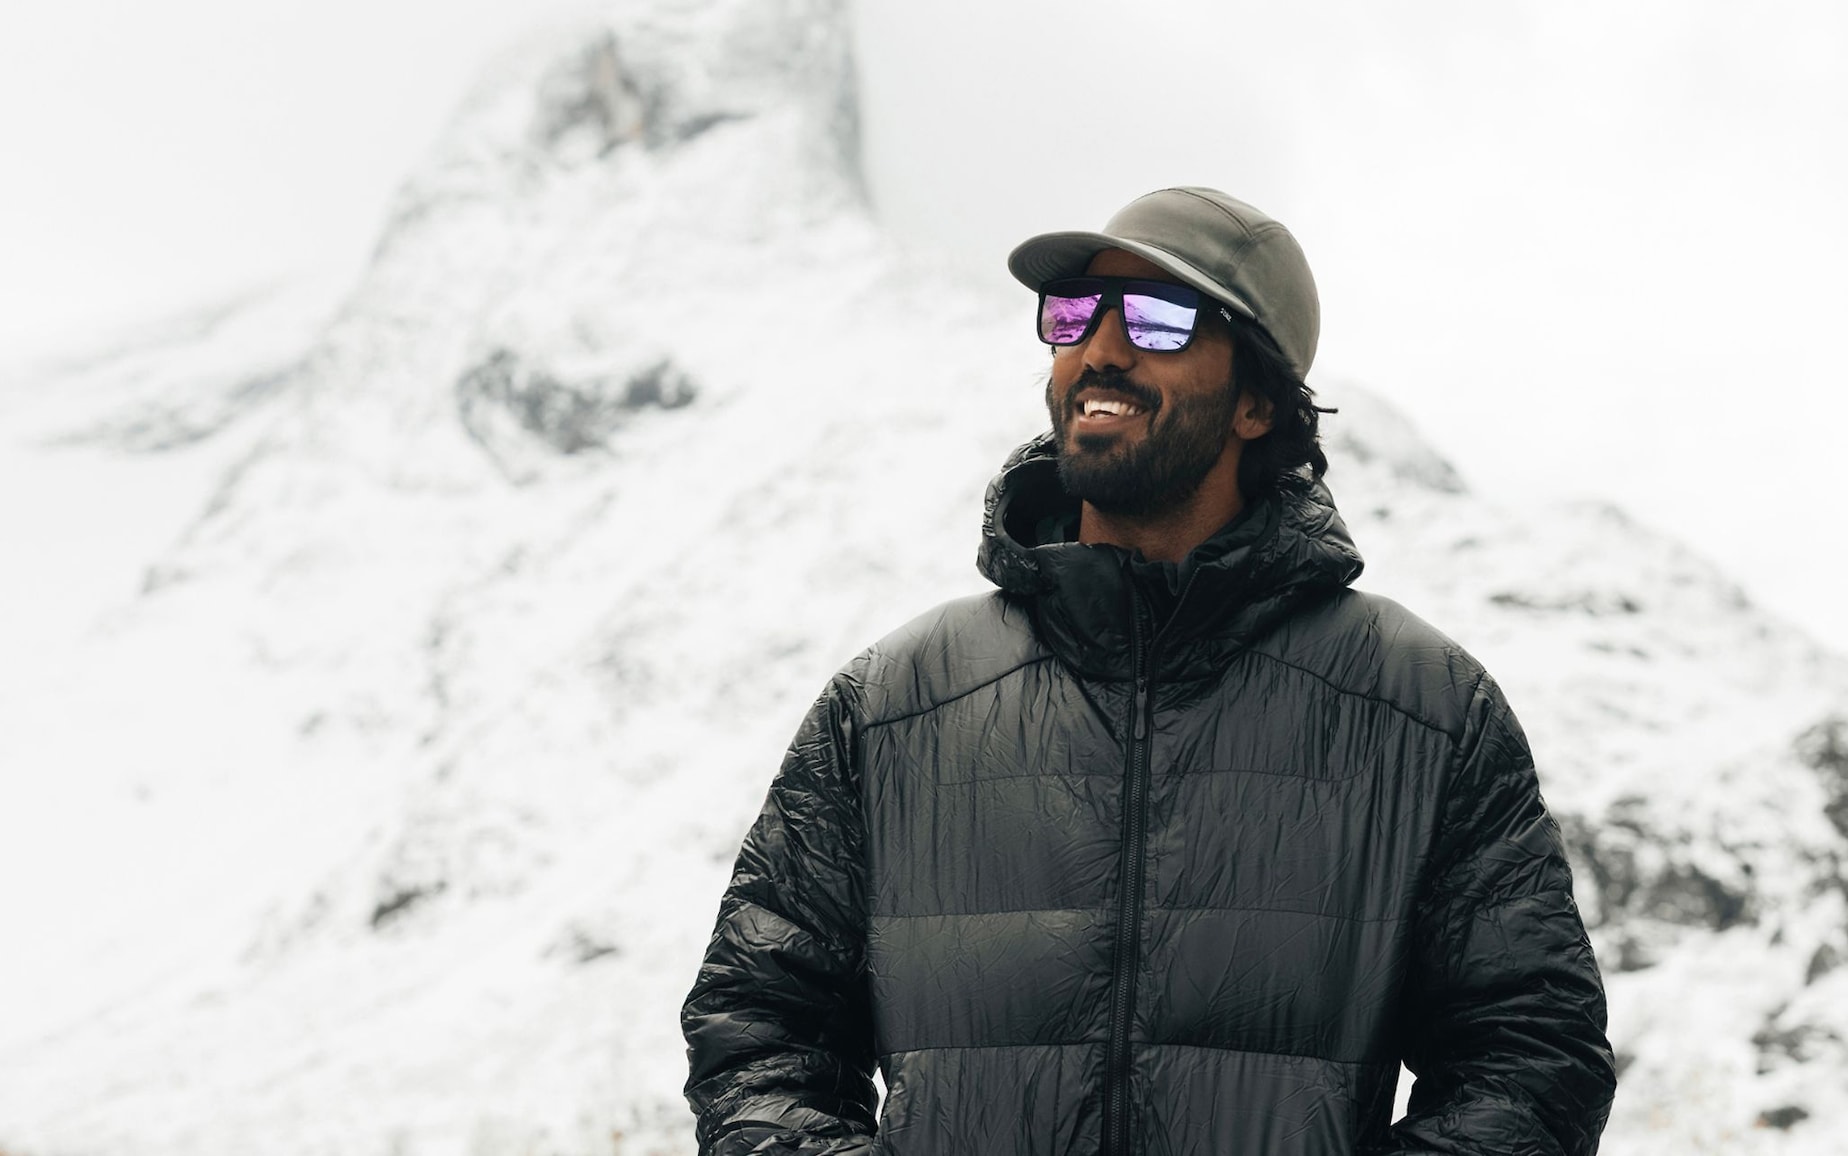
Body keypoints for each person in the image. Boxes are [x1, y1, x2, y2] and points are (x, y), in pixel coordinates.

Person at [678, 187, 1615, 1156]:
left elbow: (1531, 1060)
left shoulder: (1421, 713)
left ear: (1257, 400)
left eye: (1160, 319)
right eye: (1075, 314)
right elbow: (757, 1028)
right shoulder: (888, 708)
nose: (1100, 350)